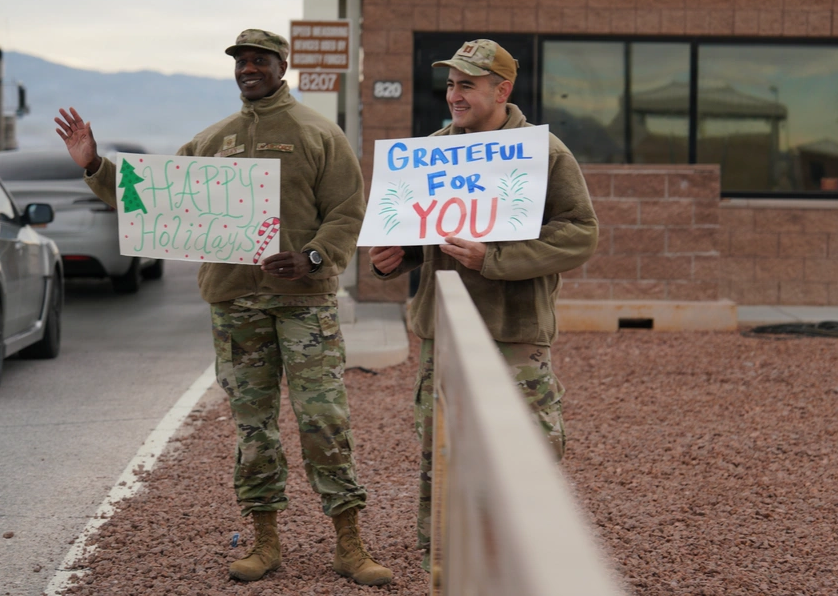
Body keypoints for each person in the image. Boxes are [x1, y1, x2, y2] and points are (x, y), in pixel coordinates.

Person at [55, 29, 392, 587]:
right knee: (252, 428)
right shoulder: (214, 140)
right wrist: (95, 165)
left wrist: (310, 257)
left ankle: (349, 543)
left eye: (259, 60)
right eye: (240, 61)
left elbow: (347, 213)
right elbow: (155, 196)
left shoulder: (317, 134)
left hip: (303, 303)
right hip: (236, 306)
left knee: (324, 420)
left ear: (282, 65)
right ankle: (263, 540)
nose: (247, 69)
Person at [368, 39, 599, 569]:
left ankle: (527, 555)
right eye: (451, 84)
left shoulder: (544, 152)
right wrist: (399, 254)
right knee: (441, 441)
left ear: (502, 90)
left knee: (530, 445)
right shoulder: (431, 150)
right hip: (442, 328)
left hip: (512, 328)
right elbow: (421, 231)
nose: (454, 95)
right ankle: (446, 558)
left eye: (466, 84)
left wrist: (492, 257)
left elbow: (580, 234)